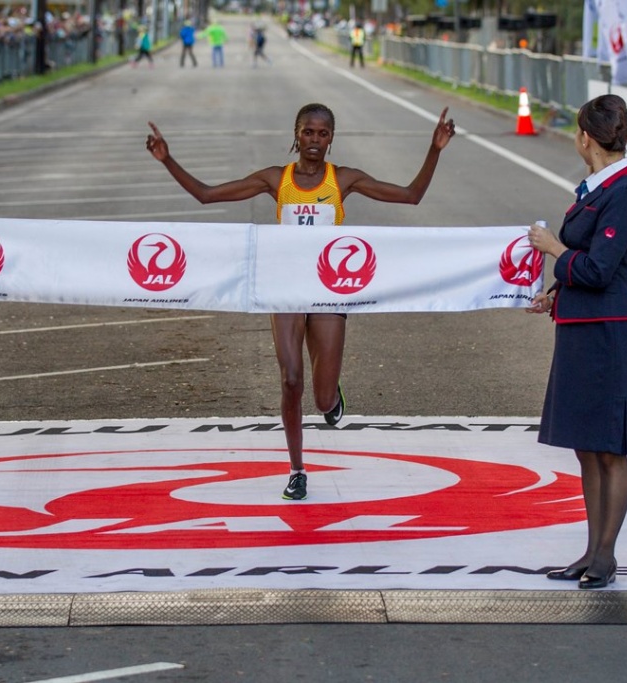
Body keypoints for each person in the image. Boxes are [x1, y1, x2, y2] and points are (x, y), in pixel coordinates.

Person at [146, 103, 456, 500]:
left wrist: (435, 149)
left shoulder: (343, 180)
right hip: (287, 286)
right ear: (296, 134)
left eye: (323, 134)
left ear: (331, 139)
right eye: (308, 132)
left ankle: (331, 395)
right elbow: (207, 195)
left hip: (328, 290)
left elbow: (411, 196)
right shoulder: (277, 180)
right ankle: (297, 469)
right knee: (291, 379)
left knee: (322, 397)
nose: (314, 140)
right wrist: (167, 159)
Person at [527, 94, 627, 590]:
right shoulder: (596, 189)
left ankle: (606, 555)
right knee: (586, 447)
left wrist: (553, 248)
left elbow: (598, 268)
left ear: (585, 138)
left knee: (609, 448)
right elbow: (587, 261)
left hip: (607, 332)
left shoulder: (622, 193)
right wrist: (557, 291)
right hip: (580, 327)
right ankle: (591, 550)